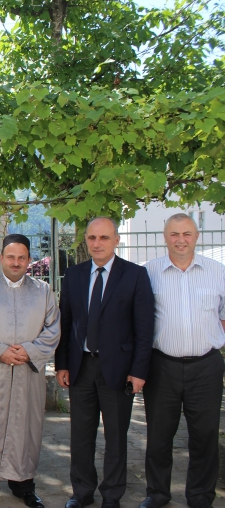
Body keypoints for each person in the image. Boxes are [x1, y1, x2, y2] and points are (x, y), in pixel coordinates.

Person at [55, 217, 154, 508]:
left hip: (119, 369)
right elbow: (65, 323)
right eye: (92, 238)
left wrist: (138, 371)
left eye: (104, 238)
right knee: (80, 435)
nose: (97, 243)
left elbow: (144, 328)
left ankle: (112, 494)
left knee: (116, 436)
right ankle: (82, 492)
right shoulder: (73, 275)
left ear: (116, 240)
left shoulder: (135, 275)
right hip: (81, 367)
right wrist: (62, 364)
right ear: (86, 240)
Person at [0, 234, 60, 508]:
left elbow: (53, 328)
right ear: (1, 258)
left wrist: (29, 351)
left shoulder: (43, 291)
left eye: (21, 257)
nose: (16, 262)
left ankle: (23, 485)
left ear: (29, 259)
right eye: (11, 257)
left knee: (25, 427)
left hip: (27, 373)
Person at [139, 213, 225, 508]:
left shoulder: (218, 272)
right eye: (174, 234)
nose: (181, 240)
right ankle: (157, 494)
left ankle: (200, 496)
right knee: (159, 434)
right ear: (165, 237)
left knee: (205, 434)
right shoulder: (148, 272)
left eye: (187, 233)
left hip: (206, 366)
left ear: (196, 236)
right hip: (162, 366)